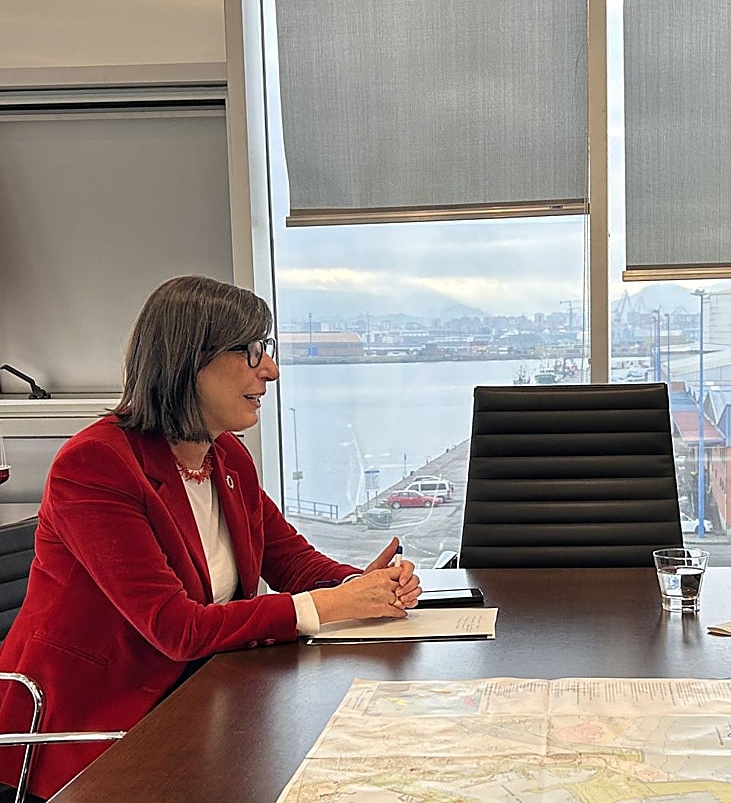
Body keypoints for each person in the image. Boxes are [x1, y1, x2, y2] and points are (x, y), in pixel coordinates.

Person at [0, 276, 423, 801]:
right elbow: (175, 628)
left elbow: (291, 560)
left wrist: (365, 585)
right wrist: (327, 606)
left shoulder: (226, 456)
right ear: (187, 362)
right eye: (251, 352)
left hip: (203, 698)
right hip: (96, 734)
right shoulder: (95, 466)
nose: (269, 369)